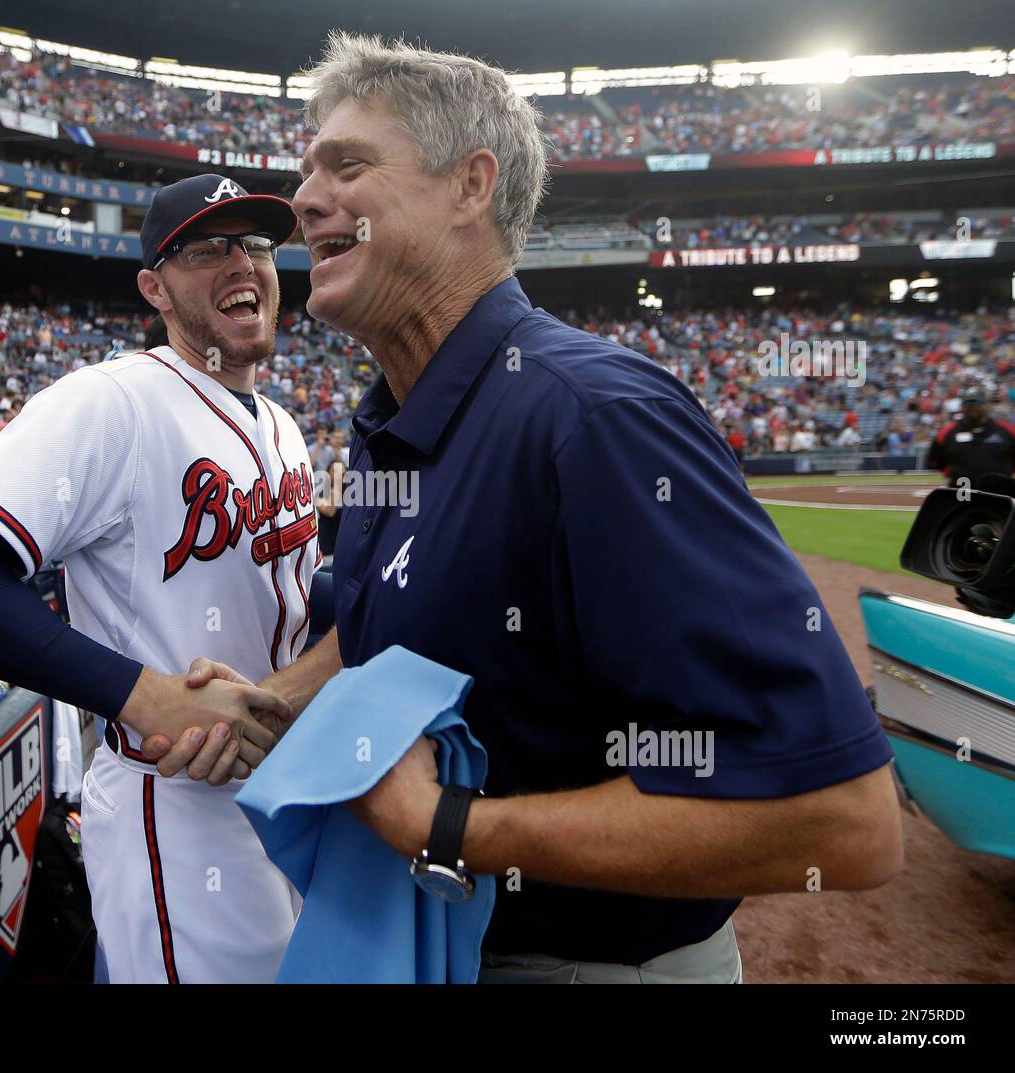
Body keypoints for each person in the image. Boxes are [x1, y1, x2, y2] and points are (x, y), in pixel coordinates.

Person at [183, 32, 902, 984]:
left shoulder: (594, 419)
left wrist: (451, 825)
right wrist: (272, 702)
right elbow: (388, 634)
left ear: (470, 186)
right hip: (440, 944)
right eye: (307, 169)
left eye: (346, 166)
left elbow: (846, 821)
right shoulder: (392, 420)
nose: (304, 200)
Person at [0, 173, 312, 984]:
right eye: (207, 249)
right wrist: (139, 693)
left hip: (282, 789)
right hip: (175, 806)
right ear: (154, 286)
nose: (242, 263)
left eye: (256, 244)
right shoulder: (112, 401)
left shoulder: (280, 421)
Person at [925, 386, 1015, 488]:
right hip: (962, 494)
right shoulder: (947, 433)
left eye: (977, 403)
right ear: (962, 407)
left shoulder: (1007, 430)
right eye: (968, 403)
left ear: (987, 405)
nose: (972, 407)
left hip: (1000, 493)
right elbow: (934, 462)